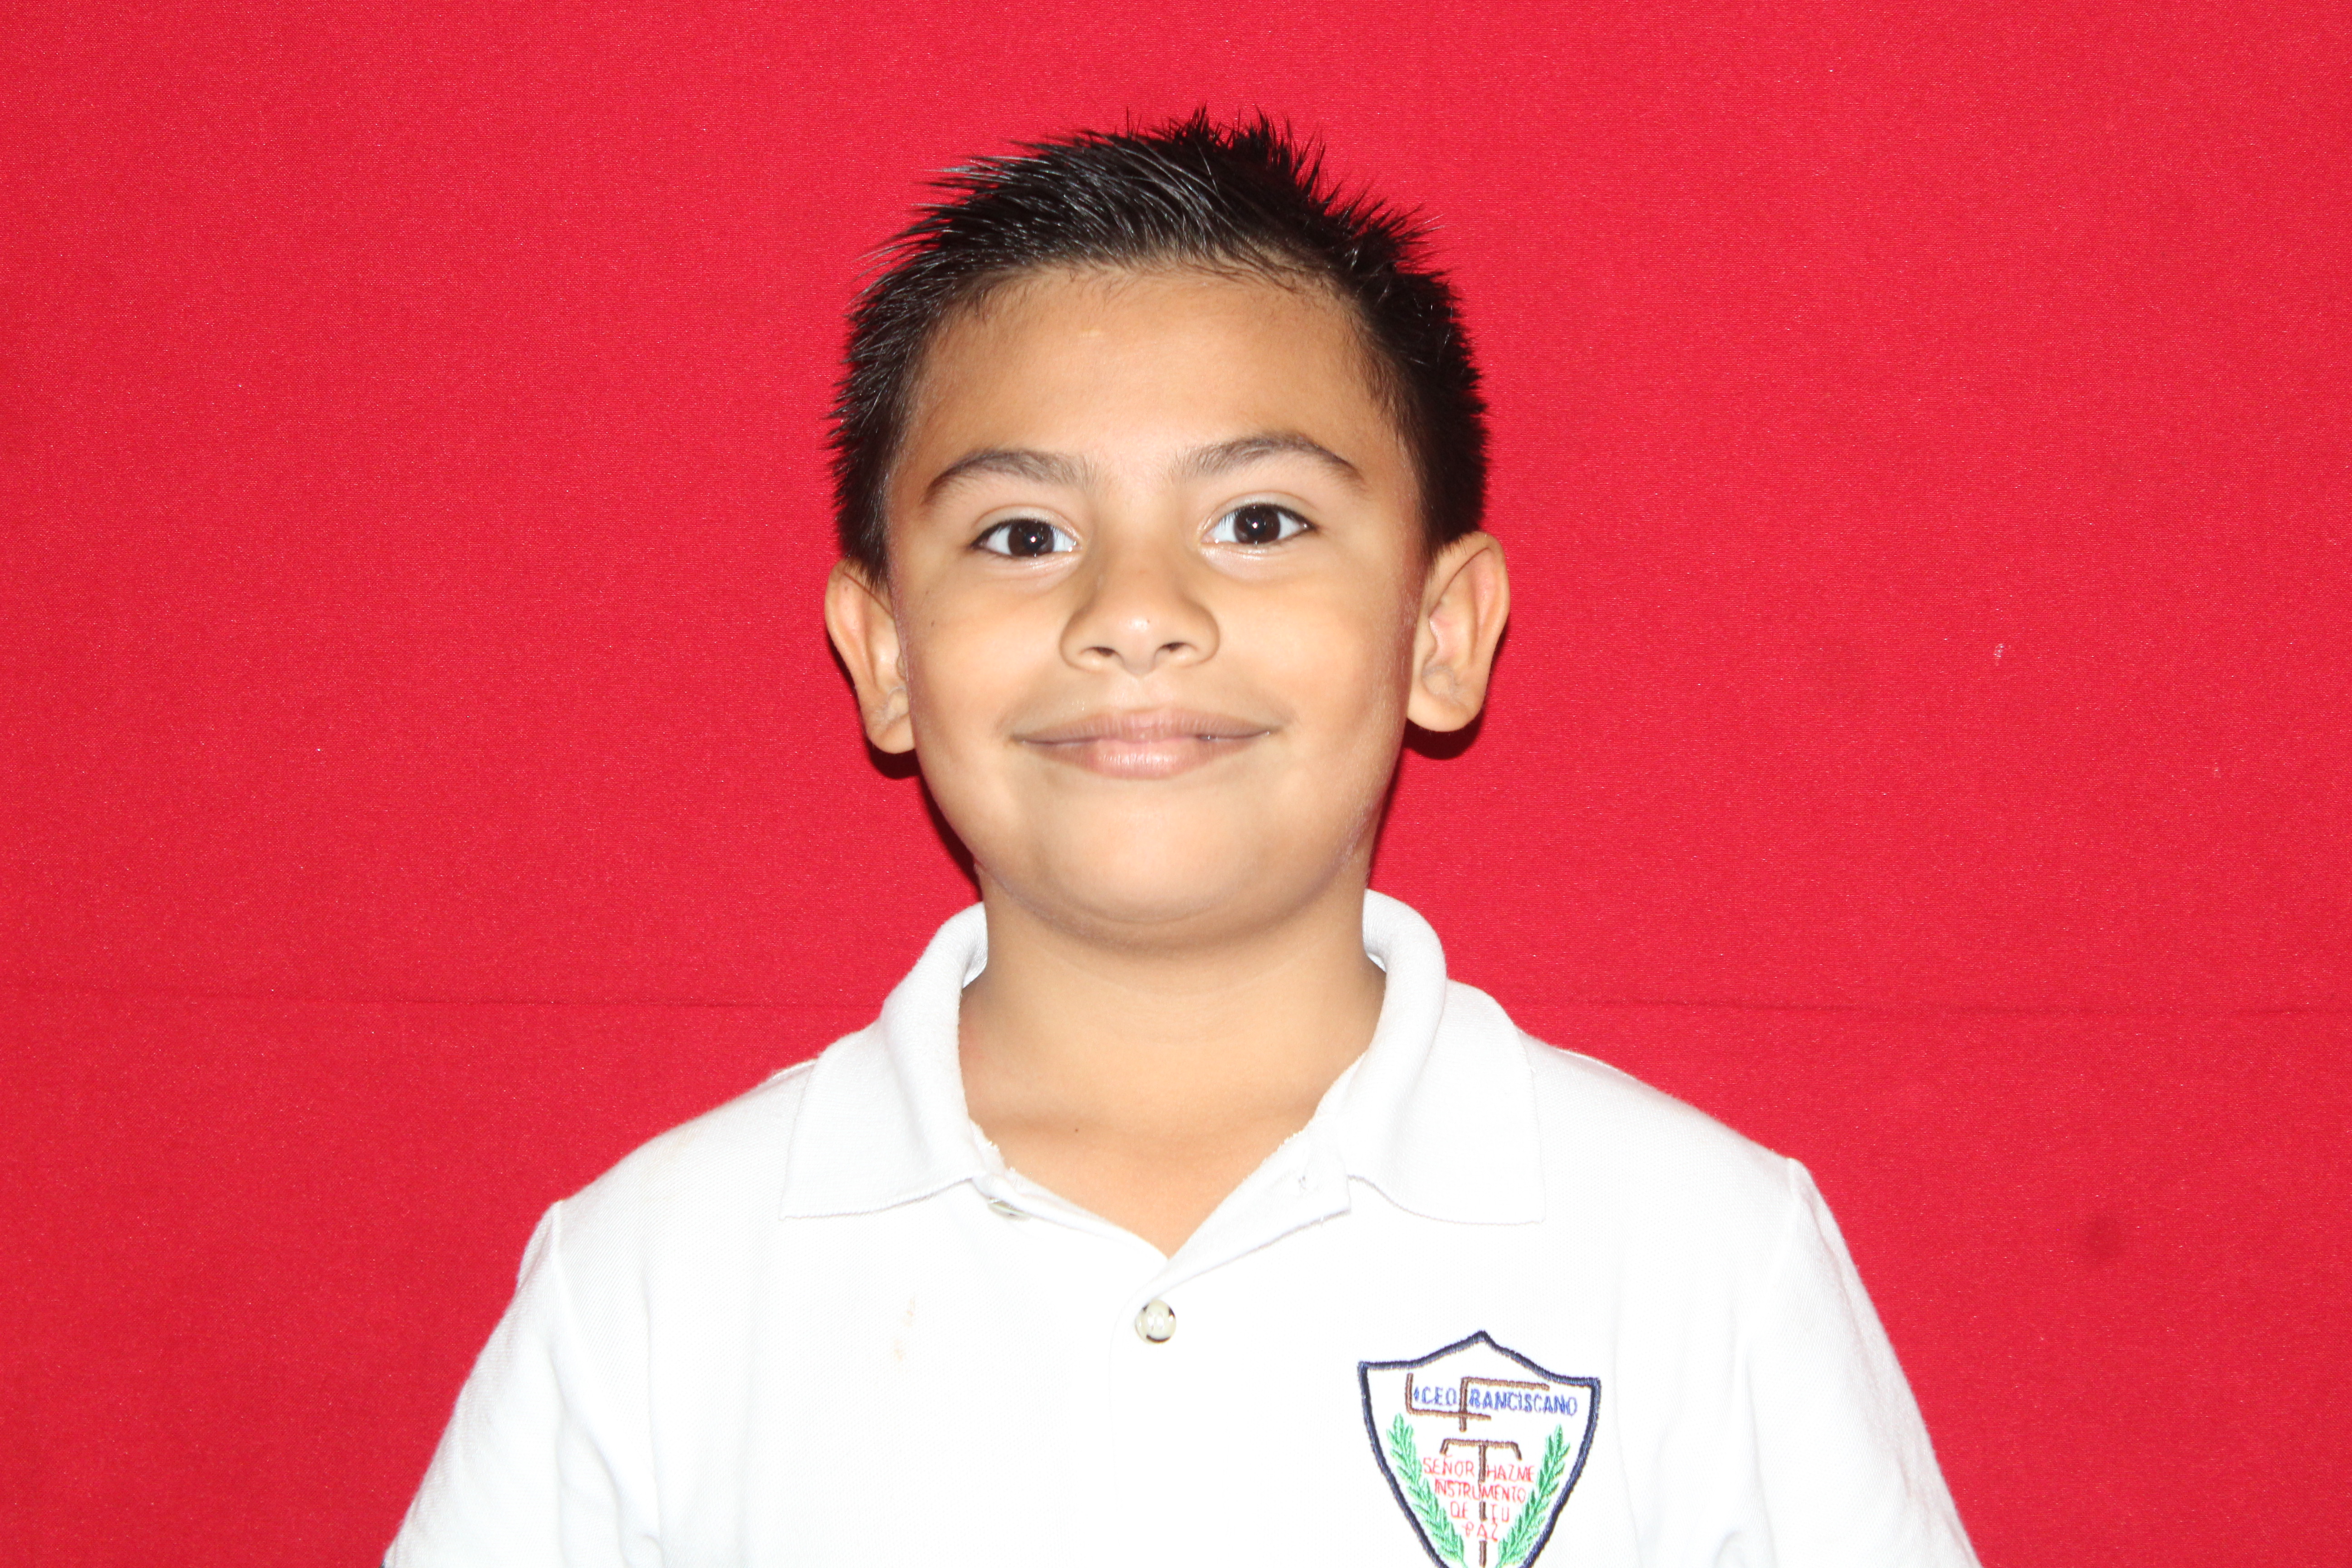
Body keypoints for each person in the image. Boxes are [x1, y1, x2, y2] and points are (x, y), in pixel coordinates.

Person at [388, 114, 1977, 1568]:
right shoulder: (659, 1279)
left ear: (1440, 631)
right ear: (885, 657)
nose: (1137, 612)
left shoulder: (1700, 1256)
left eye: (1259, 522)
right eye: (1025, 535)